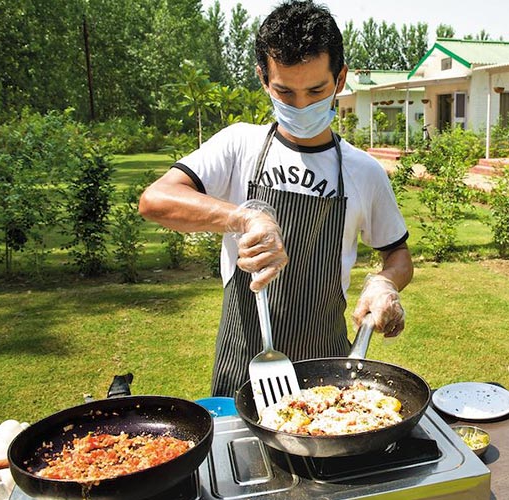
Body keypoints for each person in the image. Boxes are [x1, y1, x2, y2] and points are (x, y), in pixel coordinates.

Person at [138, 0, 413, 397]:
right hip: (246, 364)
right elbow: (156, 199)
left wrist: (385, 284)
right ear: (264, 80)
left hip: (328, 367)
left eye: (316, 90)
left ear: (340, 80)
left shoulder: (364, 171)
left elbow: (398, 256)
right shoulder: (239, 145)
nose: (301, 105)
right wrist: (243, 218)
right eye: (285, 91)